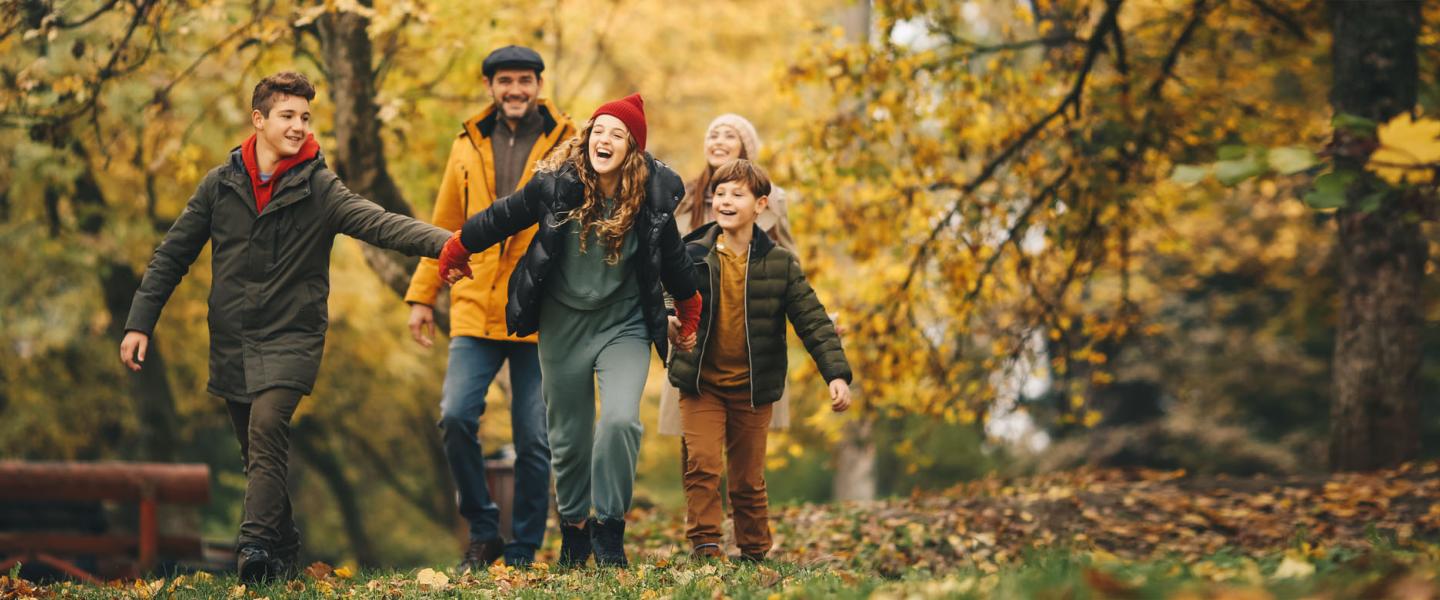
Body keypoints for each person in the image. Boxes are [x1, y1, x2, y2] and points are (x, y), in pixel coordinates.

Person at [119, 71, 452, 583]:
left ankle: (252, 552)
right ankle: (285, 546)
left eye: (305, 117)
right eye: (288, 116)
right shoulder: (219, 184)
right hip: (232, 338)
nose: (298, 126)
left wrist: (447, 243)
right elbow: (172, 255)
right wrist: (140, 323)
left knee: (268, 426)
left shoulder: (320, 187)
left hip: (293, 337)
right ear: (259, 120)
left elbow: (379, 222)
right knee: (257, 454)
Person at [436, 93, 703, 568]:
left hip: (623, 323)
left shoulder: (653, 196)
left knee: (620, 421)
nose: (605, 139)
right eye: (599, 130)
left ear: (632, 149)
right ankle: (576, 529)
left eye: (617, 134)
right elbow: (504, 214)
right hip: (563, 322)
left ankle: (609, 530)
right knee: (568, 436)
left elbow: (676, 260)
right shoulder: (556, 183)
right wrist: (461, 245)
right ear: (587, 137)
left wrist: (690, 307)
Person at [403, 45, 576, 570]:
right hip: (475, 305)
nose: (516, 90)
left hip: (540, 312)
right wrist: (422, 295)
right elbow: (446, 224)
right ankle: (483, 530)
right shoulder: (466, 143)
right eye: (505, 81)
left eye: (525, 80)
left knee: (534, 439)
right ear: (490, 88)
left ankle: (523, 546)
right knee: (455, 416)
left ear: (539, 85)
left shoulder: (569, 144)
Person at [666, 159, 852, 562]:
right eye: (720, 194)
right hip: (702, 383)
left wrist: (835, 374)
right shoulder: (692, 253)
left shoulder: (780, 263)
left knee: (748, 479)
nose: (725, 201)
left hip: (753, 387)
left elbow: (813, 320)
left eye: (737, 194)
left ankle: (754, 551)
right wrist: (669, 319)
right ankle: (706, 545)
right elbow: (666, 293)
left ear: (761, 205)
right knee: (703, 465)